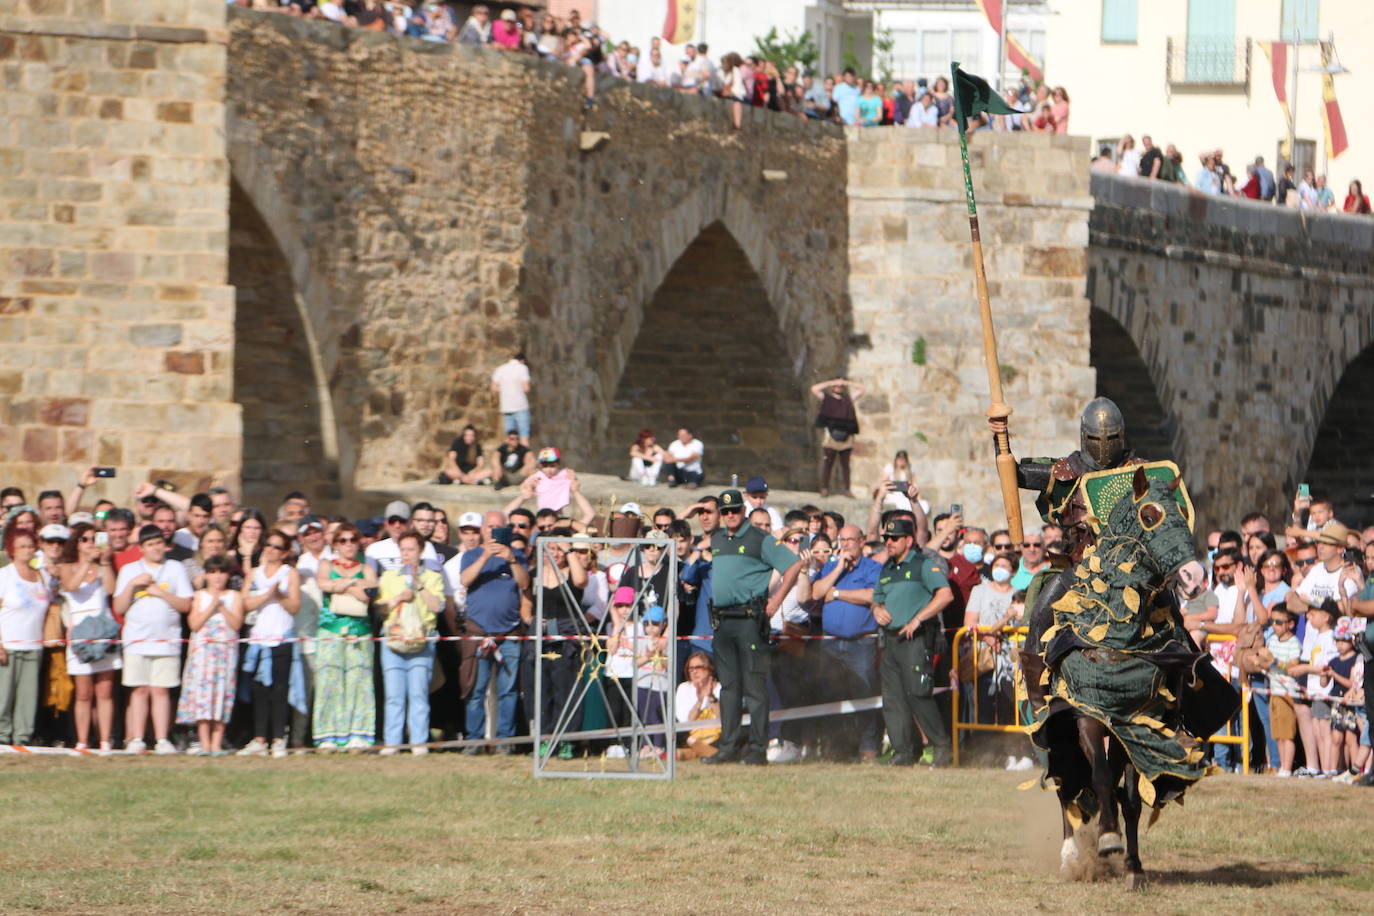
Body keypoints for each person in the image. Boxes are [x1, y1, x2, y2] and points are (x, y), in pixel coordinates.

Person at [701, 489, 804, 766]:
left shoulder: (760, 538)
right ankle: (729, 746)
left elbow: (793, 565)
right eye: (725, 512)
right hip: (723, 621)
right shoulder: (718, 538)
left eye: (734, 510)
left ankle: (758, 749)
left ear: (743, 511)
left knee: (755, 688)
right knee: (729, 688)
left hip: (750, 619)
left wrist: (776, 600)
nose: (730, 515)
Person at [872, 517, 953, 766]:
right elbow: (877, 599)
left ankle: (942, 747)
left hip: (915, 640)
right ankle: (903, 751)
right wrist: (876, 609)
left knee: (919, 694)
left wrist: (919, 618)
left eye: (894, 538)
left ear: (908, 540)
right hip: (892, 640)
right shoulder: (887, 569)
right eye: (886, 538)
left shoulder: (923, 565)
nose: (888, 542)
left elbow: (945, 594)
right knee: (893, 698)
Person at [113, 525, 193, 753]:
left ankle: (162, 739)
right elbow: (119, 607)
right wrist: (132, 585)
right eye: (150, 544)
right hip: (136, 640)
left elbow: (186, 604)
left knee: (161, 690)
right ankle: (137, 738)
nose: (156, 548)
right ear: (141, 548)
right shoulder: (129, 570)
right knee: (138, 690)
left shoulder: (175, 568)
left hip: (167, 640)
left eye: (159, 543)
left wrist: (161, 593)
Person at [811, 524, 882, 761]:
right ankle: (836, 748)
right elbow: (817, 592)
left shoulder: (872, 567)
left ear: (862, 541)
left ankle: (868, 748)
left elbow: (873, 595)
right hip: (831, 644)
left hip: (859, 645)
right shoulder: (832, 566)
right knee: (830, 694)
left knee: (863, 693)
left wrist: (839, 594)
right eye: (841, 540)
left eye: (850, 540)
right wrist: (839, 567)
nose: (845, 544)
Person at [377, 531, 444, 755]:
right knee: (394, 695)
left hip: (421, 641)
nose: (406, 554)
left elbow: (437, 607)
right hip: (394, 641)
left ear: (421, 551)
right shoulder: (389, 577)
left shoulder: (433, 576)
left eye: (411, 550)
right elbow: (380, 608)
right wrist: (397, 598)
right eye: (403, 549)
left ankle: (418, 741)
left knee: (418, 694)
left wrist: (419, 584)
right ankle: (393, 742)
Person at [237, 529, 302, 758]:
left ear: (284, 553)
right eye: (268, 545)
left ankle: (278, 738)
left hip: (281, 638)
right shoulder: (254, 574)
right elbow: (244, 603)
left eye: (276, 547)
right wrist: (266, 596)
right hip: (258, 640)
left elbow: (294, 606)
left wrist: (280, 596)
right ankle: (259, 738)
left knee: (279, 690)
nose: (271, 550)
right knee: (259, 692)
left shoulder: (289, 573)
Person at [313, 523, 378, 750]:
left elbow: (369, 592)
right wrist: (352, 585)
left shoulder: (366, 567)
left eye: (352, 540)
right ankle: (328, 734)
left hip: (359, 630)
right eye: (343, 540)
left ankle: (358, 732)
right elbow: (323, 583)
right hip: (331, 629)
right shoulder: (326, 564)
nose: (348, 544)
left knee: (359, 681)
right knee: (329, 681)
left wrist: (343, 584)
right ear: (335, 544)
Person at [59, 522, 118, 752]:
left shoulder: (103, 566)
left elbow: (112, 589)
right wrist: (86, 562)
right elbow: (72, 586)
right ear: (77, 543)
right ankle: (82, 740)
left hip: (102, 627)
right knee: (83, 691)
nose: (91, 543)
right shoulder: (68, 566)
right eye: (85, 539)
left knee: (104, 689)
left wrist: (103, 562)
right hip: (81, 630)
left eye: (94, 538)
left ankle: (105, 740)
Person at [175, 555, 242, 756]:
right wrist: (211, 607)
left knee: (222, 695)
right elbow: (194, 624)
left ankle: (217, 743)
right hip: (202, 655)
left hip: (225, 654)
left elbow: (237, 624)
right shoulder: (199, 596)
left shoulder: (234, 597)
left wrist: (221, 607)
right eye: (213, 572)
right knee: (202, 697)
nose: (218, 577)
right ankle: (204, 743)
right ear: (206, 575)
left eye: (222, 572)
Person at [532, 527, 588, 759]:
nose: (555, 553)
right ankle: (545, 738)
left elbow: (581, 580)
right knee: (544, 691)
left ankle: (566, 740)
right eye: (552, 548)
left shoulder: (571, 572)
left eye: (559, 549)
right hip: (541, 640)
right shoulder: (537, 573)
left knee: (567, 690)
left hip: (566, 639)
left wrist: (570, 551)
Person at [0, 527, 49, 747]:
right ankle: (2, 736)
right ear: (12, 550)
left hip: (34, 644)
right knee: (4, 695)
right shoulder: (5, 575)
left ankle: (22, 737)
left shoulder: (41, 576)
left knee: (28, 696)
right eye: (22, 547)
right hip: (8, 644)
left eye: (30, 546)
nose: (27, 551)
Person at [811, 378, 863, 497]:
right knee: (828, 463)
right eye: (836, 386)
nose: (838, 387)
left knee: (845, 465)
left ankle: (847, 489)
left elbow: (862, 389)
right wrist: (831, 382)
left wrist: (846, 382)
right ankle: (825, 488)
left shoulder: (848, 398)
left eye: (840, 386)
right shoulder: (826, 398)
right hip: (831, 434)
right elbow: (814, 389)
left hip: (846, 435)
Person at [675, 650, 721, 760]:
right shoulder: (684, 688)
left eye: (698, 667)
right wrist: (699, 702)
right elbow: (685, 722)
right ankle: (712, 753)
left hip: (717, 735)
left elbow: (724, 720)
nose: (694, 672)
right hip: (691, 735)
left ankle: (693, 752)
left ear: (709, 668)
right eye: (690, 668)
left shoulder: (721, 688)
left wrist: (711, 697)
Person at [490, 351, 531, 445]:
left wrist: (505, 388)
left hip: (507, 407)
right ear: (522, 360)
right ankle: (525, 459)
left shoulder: (500, 369)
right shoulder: (523, 368)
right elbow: (526, 388)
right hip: (521, 406)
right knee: (524, 437)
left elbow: (493, 387)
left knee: (510, 438)